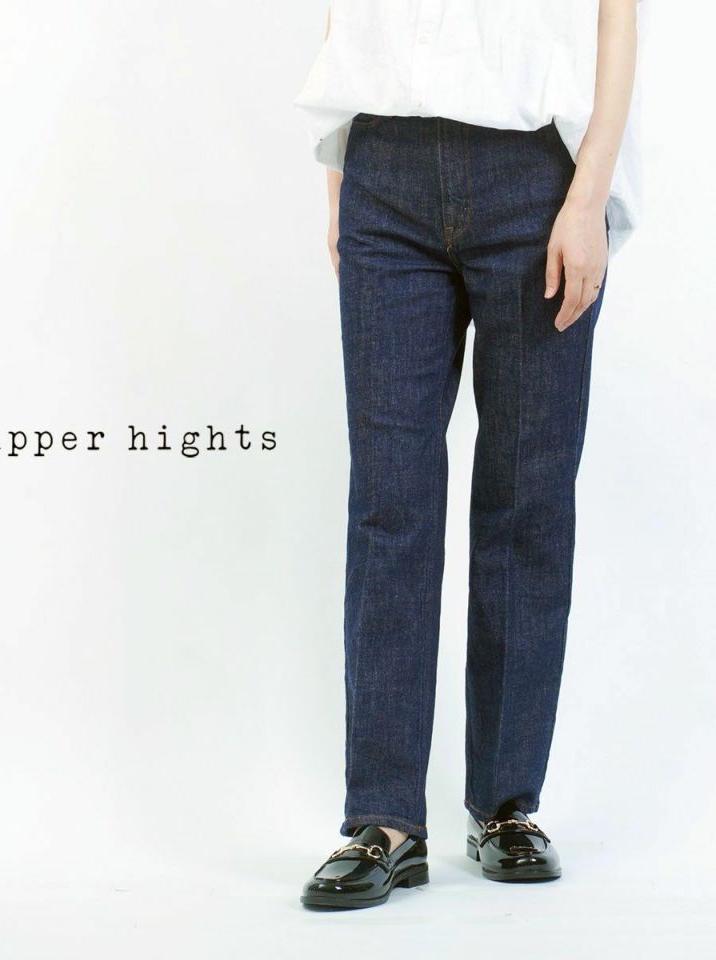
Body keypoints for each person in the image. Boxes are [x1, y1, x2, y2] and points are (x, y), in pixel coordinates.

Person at [293, 0, 645, 909]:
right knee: (390, 503)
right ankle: (383, 821)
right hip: (384, 169)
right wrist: (339, 182)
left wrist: (589, 195)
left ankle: (505, 806)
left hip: (537, 179)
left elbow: (617, 13)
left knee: (527, 502)